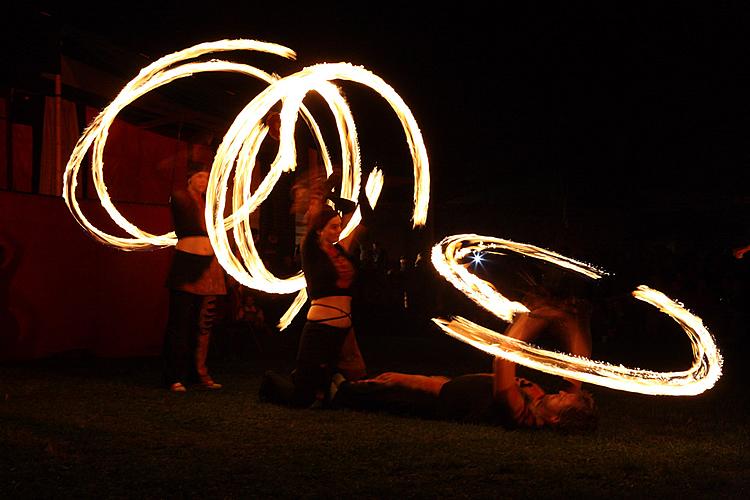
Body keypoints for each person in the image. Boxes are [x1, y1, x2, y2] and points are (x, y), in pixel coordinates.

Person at [332, 296, 598, 431]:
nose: (563, 392)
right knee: (390, 378)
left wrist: (531, 319)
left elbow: (503, 364)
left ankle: (339, 393)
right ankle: (344, 385)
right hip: (451, 385)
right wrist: (579, 322)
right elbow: (578, 365)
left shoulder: (522, 415)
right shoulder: (549, 403)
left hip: (441, 400)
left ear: (553, 419)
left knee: (389, 388)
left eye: (564, 400)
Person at [259, 174, 374, 407]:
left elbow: (357, 212)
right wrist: (323, 191)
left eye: (339, 226)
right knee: (302, 399)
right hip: (320, 329)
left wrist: (334, 195)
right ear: (319, 230)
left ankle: (321, 384)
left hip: (343, 327)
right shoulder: (311, 250)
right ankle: (270, 382)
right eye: (332, 227)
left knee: (343, 386)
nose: (337, 230)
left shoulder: (340, 251)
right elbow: (313, 217)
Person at [162, 161, 227, 392]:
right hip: (187, 265)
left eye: (207, 178)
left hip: (209, 267)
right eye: (200, 176)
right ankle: (174, 375)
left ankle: (199, 372)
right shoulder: (180, 197)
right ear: (190, 178)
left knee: (203, 323)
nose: (204, 181)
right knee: (180, 322)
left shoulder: (210, 204)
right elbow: (192, 221)